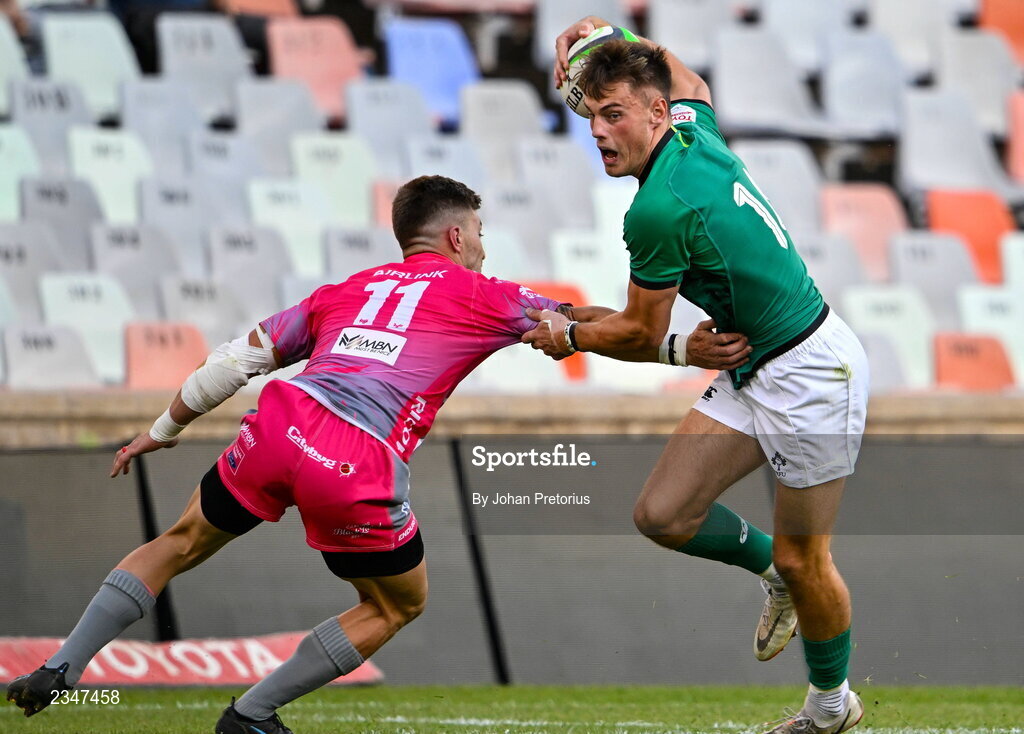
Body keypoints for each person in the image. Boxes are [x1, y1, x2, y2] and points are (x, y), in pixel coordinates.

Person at [5, 175, 597, 734]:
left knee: (178, 542)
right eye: (480, 236)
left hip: (279, 424)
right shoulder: (484, 293)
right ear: (457, 236)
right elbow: (584, 323)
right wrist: (667, 344)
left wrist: (160, 429)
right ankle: (251, 714)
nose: (483, 251)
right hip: (356, 456)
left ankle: (61, 667)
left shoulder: (343, 291)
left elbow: (235, 363)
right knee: (395, 603)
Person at [523, 17, 869, 734]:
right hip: (755, 362)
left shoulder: (657, 207)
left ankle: (832, 708)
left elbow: (638, 333)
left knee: (812, 562)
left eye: (614, 114)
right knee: (663, 514)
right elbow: (692, 82)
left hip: (811, 375)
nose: (598, 131)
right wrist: (615, 34)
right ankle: (770, 572)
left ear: (652, 113)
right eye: (592, 115)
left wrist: (570, 334)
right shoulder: (690, 133)